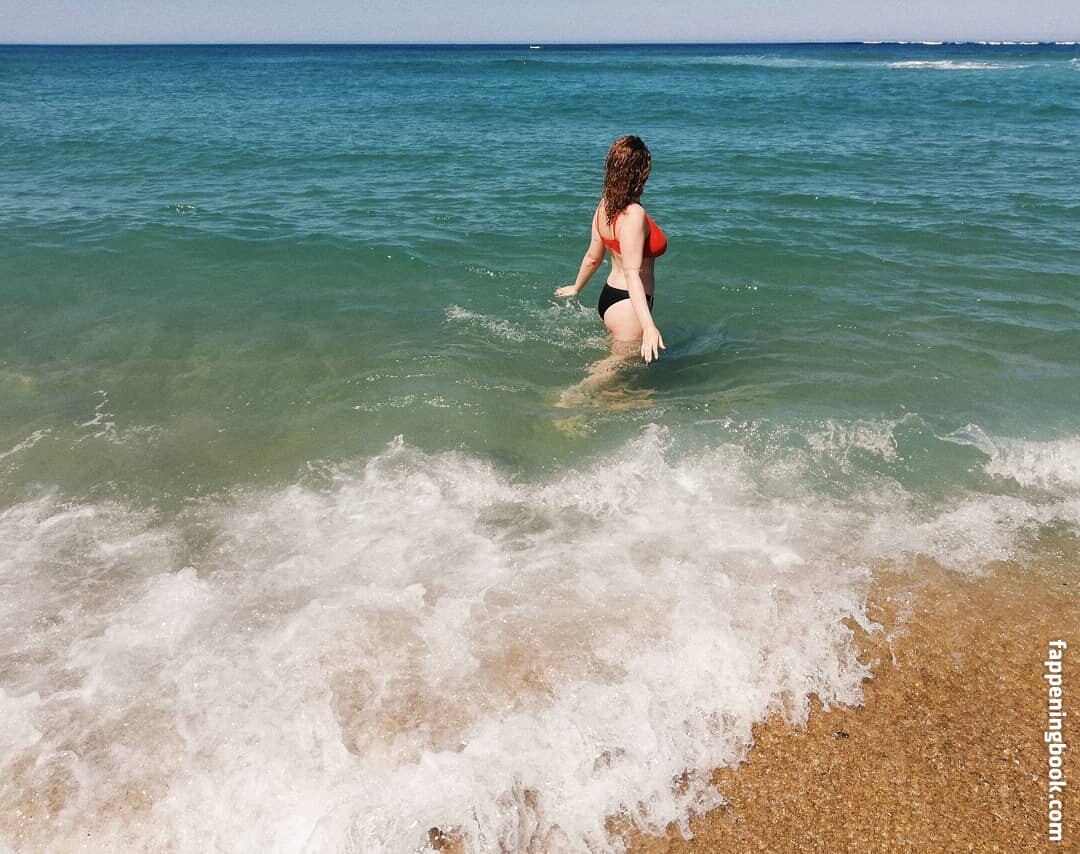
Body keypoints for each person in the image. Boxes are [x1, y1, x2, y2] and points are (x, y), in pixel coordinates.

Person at [555, 135, 667, 365]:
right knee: (609, 372)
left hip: (609, 297)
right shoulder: (634, 214)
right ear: (641, 173)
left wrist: (576, 287)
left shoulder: (605, 205)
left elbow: (593, 257)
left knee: (620, 368)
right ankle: (568, 390)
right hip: (629, 305)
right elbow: (632, 273)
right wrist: (649, 326)